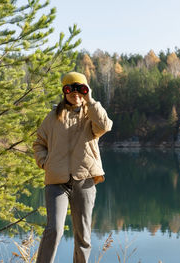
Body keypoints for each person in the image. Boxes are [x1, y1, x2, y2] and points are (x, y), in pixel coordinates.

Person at [33, 72, 113, 263]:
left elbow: (105, 126)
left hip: (84, 179)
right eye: (70, 89)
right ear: (64, 91)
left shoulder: (90, 114)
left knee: (83, 235)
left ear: (85, 90)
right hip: (56, 181)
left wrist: (90, 99)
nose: (75, 94)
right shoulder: (53, 116)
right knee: (54, 229)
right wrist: (44, 162)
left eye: (80, 89)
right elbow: (39, 143)